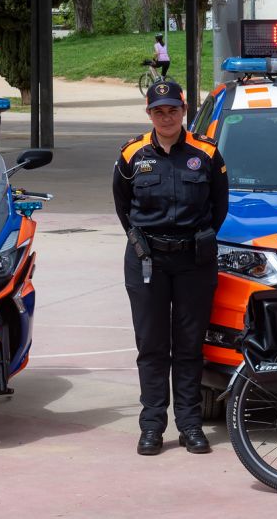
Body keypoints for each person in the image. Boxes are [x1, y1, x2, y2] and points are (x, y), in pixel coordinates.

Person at [112, 79, 228, 455]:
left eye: (173, 110)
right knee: (152, 346)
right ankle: (151, 426)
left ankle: (191, 425)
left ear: (184, 111)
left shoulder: (207, 152)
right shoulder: (132, 154)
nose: (166, 117)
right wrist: (142, 241)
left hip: (194, 261)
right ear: (149, 114)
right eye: (158, 111)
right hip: (148, 261)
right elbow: (122, 206)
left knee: (190, 346)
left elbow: (219, 206)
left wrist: (199, 238)